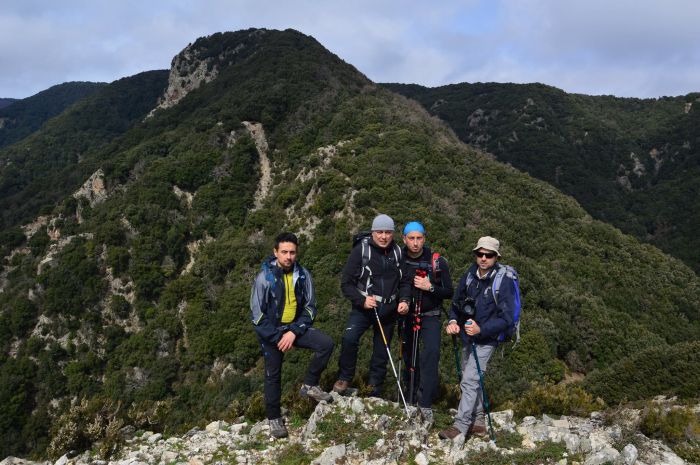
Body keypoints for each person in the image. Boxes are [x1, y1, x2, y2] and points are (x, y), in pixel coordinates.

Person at [250, 232, 334, 439]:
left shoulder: (303, 274)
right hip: (272, 333)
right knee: (272, 375)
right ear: (275, 252)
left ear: (297, 253)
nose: (288, 256)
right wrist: (278, 337)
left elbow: (311, 308)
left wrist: (293, 332)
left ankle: (310, 384)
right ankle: (273, 417)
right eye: (284, 252)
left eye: (292, 252)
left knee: (326, 344)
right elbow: (257, 315)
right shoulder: (264, 278)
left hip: (295, 328)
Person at [438, 236, 516, 441]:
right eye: (479, 254)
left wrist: (481, 329)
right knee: (471, 379)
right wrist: (453, 321)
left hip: (487, 338)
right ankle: (479, 423)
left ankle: (460, 427)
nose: (483, 258)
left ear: (496, 257)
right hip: (467, 335)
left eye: (488, 255)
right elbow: (456, 303)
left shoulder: (503, 281)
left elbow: (507, 318)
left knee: (470, 379)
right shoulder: (470, 275)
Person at [333, 214, 409, 397]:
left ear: (393, 234)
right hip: (363, 308)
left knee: (382, 350)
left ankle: (374, 388)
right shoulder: (361, 251)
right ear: (373, 232)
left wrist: (404, 300)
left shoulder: (398, 252)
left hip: (389, 309)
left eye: (388, 232)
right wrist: (361, 301)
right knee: (350, 338)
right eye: (380, 232)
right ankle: (344, 377)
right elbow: (346, 283)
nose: (383, 237)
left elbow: (405, 281)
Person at [397, 221, 453, 427]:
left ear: (424, 239)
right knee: (409, 355)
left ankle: (426, 403)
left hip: (431, 315)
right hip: (407, 315)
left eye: (419, 238)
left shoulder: (437, 262)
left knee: (431, 354)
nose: (415, 243)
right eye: (411, 238)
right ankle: (409, 397)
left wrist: (430, 287)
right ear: (404, 239)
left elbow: (449, 291)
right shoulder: (398, 259)